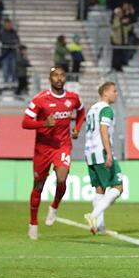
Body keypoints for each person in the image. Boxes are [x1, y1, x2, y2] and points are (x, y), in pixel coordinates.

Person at [21, 67, 85, 240]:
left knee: (62, 178)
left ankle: (54, 206)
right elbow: (25, 123)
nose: (59, 78)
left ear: (65, 79)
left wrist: (77, 128)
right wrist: (43, 123)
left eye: (62, 75)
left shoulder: (72, 98)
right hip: (42, 149)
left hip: (62, 146)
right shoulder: (40, 100)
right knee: (38, 186)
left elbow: (81, 111)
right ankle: (33, 223)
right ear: (50, 78)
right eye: (55, 75)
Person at [83, 82, 123, 235]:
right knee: (118, 187)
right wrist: (109, 153)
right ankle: (92, 216)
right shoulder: (106, 109)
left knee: (99, 190)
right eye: (114, 91)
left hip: (90, 153)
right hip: (101, 152)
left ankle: (99, 226)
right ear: (105, 93)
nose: (116, 94)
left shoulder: (92, 109)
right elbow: (103, 129)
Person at [0, 19, 20, 84]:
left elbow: (17, 41)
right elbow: (4, 40)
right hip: (5, 53)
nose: (9, 26)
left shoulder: (14, 32)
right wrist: (11, 43)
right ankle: (5, 81)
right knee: (5, 68)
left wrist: (11, 43)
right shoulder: (2, 32)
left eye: (10, 24)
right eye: (7, 24)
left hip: (13, 53)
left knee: (14, 68)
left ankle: (14, 81)